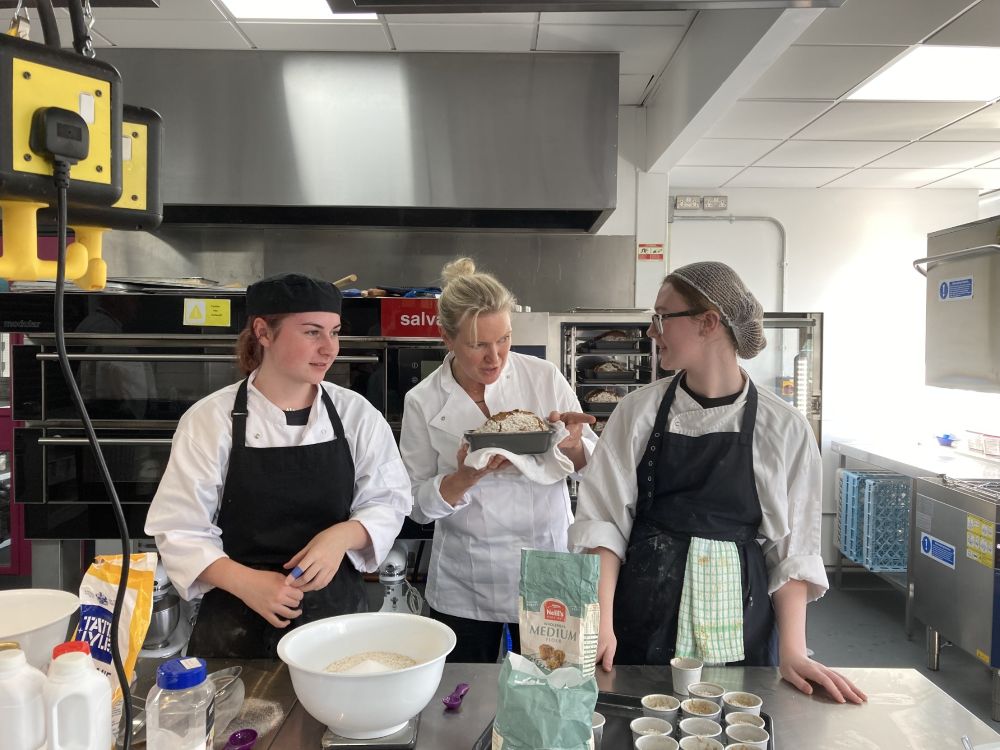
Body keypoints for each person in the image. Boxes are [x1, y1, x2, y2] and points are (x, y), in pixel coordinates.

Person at [569, 261, 866, 704]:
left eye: (661, 317)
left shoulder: (784, 427)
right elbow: (604, 526)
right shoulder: (637, 412)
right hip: (641, 613)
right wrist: (602, 625)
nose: (651, 331)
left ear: (708, 322)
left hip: (741, 621)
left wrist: (793, 650)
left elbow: (792, 550)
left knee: (732, 724)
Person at [146, 273, 412, 658]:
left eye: (334, 332)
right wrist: (247, 582)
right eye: (311, 332)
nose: (329, 348)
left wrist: (342, 536)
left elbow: (389, 500)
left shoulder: (356, 415)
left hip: (335, 620)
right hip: (235, 620)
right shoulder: (210, 420)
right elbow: (179, 528)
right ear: (263, 332)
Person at [400, 258, 598, 662]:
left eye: (504, 340)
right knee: (462, 689)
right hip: (467, 578)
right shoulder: (423, 400)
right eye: (478, 345)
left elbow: (592, 467)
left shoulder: (542, 377)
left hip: (546, 563)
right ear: (446, 338)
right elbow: (416, 503)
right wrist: (464, 477)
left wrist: (573, 446)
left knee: (551, 685)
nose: (495, 357)